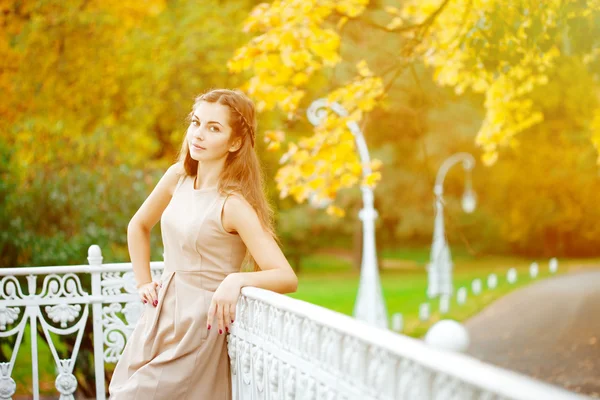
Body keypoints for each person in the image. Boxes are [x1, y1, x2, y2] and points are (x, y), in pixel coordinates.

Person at [108, 89, 298, 399]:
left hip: (198, 327)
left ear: (234, 142)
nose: (198, 134)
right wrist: (143, 282)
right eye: (196, 122)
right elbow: (138, 226)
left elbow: (286, 276)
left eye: (213, 128)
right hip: (160, 318)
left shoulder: (233, 205)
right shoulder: (177, 177)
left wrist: (235, 280)